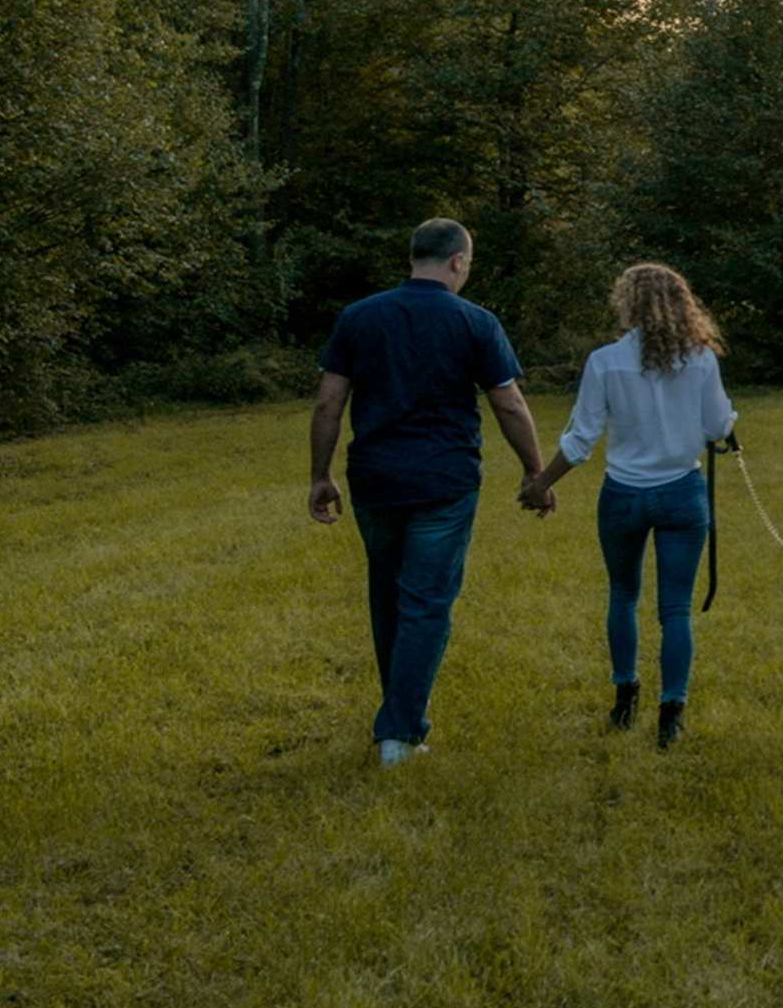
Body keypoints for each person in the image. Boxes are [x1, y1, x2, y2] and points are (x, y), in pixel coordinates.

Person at [308, 218, 550, 766]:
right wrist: (535, 471)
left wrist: (321, 475)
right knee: (428, 604)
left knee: (389, 598)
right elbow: (508, 403)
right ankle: (399, 732)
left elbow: (329, 403)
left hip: (375, 478)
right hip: (445, 481)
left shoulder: (359, 317)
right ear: (458, 261)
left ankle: (400, 717)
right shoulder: (476, 322)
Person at [520, 262, 736, 748]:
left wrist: (541, 484)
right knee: (675, 609)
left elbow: (581, 440)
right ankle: (671, 711)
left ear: (628, 304)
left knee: (623, 596)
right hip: (682, 493)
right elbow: (719, 427)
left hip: (624, 494)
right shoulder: (701, 360)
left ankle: (625, 695)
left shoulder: (605, 361)